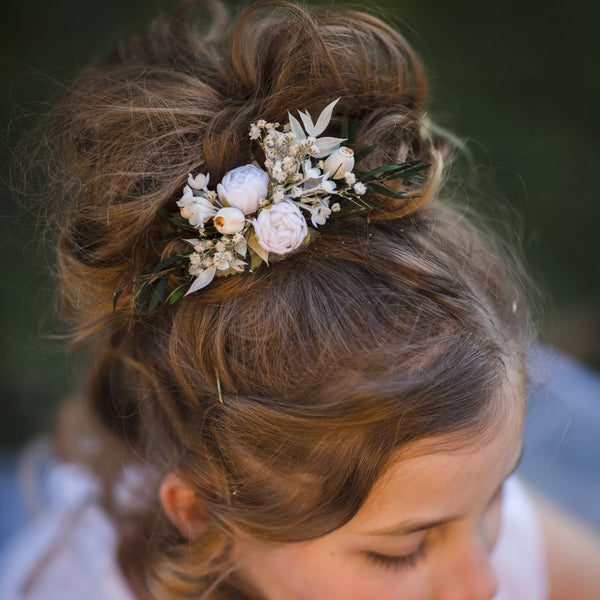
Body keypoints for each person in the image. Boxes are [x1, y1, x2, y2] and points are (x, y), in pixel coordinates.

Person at [1, 1, 599, 598]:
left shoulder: (449, 506)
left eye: (496, 496)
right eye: (402, 552)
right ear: (204, 517)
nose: (483, 583)